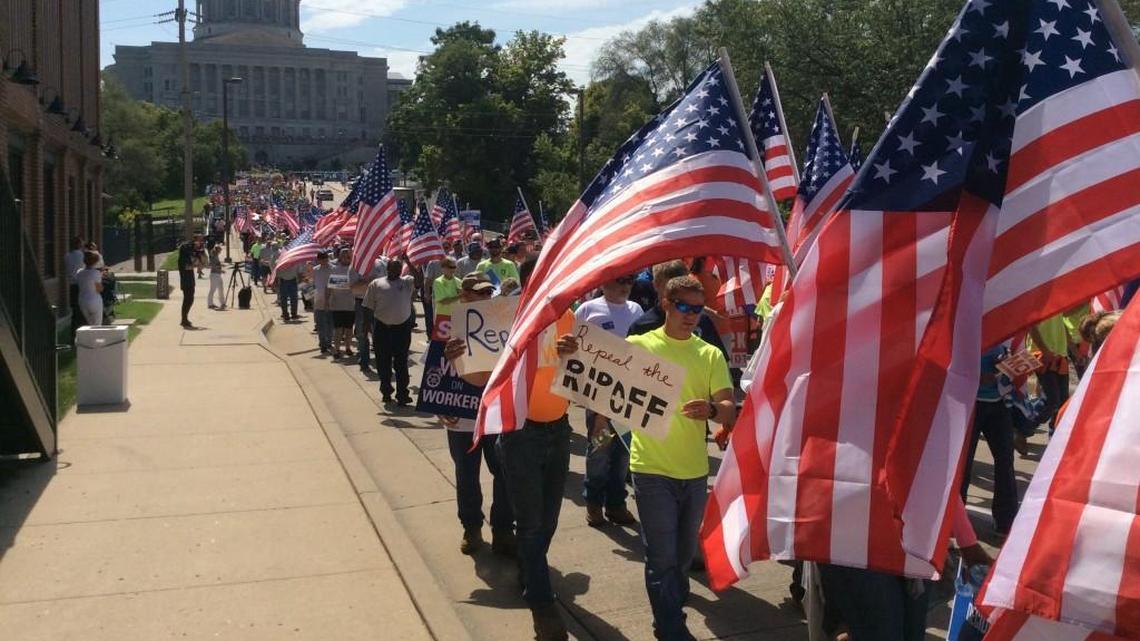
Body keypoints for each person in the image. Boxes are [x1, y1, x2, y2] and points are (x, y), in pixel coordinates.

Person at [568, 275, 735, 641]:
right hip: (649, 469)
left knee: (681, 555)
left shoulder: (708, 354)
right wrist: (570, 354)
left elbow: (729, 409)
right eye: (684, 307)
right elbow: (604, 387)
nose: (691, 315)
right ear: (666, 305)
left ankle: (668, 612)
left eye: (697, 309)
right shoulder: (639, 346)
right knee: (660, 557)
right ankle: (673, 628)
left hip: (693, 472)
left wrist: (712, 409)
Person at [445, 257, 576, 641]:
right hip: (521, 434)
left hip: (560, 429)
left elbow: (586, 376)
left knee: (546, 523)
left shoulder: (570, 318)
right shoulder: (508, 317)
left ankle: (530, 570)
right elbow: (486, 377)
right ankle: (542, 606)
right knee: (532, 526)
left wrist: (575, 352)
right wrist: (461, 362)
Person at [440, 271, 516, 556]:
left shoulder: (504, 327)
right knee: (467, 477)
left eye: (488, 293)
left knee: (505, 473)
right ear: (463, 296)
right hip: (461, 420)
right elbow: (435, 373)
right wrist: (440, 409)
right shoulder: (448, 329)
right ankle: (471, 528)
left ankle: (503, 530)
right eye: (478, 293)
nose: (485, 298)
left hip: (496, 416)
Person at [573, 275, 644, 527]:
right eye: (619, 281)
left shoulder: (636, 310)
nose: (625, 286)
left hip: (628, 397)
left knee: (623, 454)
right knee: (599, 450)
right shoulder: (587, 309)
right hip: (598, 396)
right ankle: (593, 503)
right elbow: (575, 350)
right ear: (603, 283)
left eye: (629, 282)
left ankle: (616, 504)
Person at [960, 345, 1019, 537]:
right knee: (963, 466)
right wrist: (974, 376)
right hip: (969, 404)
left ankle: (1006, 520)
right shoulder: (965, 324)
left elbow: (1014, 352)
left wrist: (1008, 362)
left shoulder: (1005, 327)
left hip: (999, 402)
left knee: (1005, 461)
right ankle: (956, 522)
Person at [628, 260, 728, 360]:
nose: (677, 293)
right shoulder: (642, 327)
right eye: (670, 288)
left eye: (681, 287)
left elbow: (720, 360)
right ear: (656, 285)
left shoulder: (701, 321)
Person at [362, 258, 415, 405]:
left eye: (399, 268)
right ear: (388, 268)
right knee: (383, 363)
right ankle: (386, 391)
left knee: (401, 363)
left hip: (402, 328)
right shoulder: (377, 284)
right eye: (394, 268)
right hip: (382, 328)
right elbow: (368, 307)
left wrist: (409, 262)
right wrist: (365, 327)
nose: (397, 270)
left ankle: (402, 394)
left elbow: (420, 280)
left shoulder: (407, 282)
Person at [351, 256, 386, 375]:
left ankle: (381, 362)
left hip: (379, 303)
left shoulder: (381, 264)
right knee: (362, 333)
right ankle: (364, 361)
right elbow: (352, 286)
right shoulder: (355, 266)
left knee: (379, 333)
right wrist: (368, 281)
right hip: (361, 303)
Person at [327, 248, 356, 358]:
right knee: (338, 329)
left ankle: (348, 348)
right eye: (343, 255)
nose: (346, 257)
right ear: (339, 257)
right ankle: (337, 349)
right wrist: (327, 300)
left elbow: (355, 286)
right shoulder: (334, 269)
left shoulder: (354, 269)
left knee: (349, 329)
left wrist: (344, 284)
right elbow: (331, 286)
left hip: (351, 305)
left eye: (348, 255)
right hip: (337, 304)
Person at [177, 235, 203, 328]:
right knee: (187, 299)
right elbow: (188, 266)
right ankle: (184, 319)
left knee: (190, 299)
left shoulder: (187, 255)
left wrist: (197, 255)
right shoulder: (183, 259)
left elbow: (193, 253)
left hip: (190, 279)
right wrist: (196, 263)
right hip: (186, 280)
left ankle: (185, 318)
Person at [75, 251, 106, 326]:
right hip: (94, 300)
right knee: (97, 325)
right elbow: (99, 289)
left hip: (82, 300)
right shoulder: (96, 273)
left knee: (90, 324)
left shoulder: (79, 272)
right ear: (95, 262)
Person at [312, 251, 334, 354]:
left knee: (330, 323)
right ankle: (323, 343)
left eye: (325, 259)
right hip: (319, 300)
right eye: (321, 259)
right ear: (318, 260)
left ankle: (329, 341)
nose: (323, 261)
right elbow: (311, 283)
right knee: (320, 324)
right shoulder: (315, 270)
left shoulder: (334, 269)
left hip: (332, 301)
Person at [65, 236, 86, 334]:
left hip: (71, 285)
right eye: (81, 243)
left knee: (74, 310)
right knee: (82, 310)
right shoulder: (82, 256)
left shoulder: (67, 256)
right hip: (81, 285)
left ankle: (73, 333)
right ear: (78, 245)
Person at [431, 257, 461, 326]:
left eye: (454, 267)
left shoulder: (459, 281)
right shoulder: (438, 282)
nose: (453, 269)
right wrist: (460, 295)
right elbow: (443, 301)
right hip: (443, 317)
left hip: (456, 316)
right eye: (451, 267)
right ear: (443, 268)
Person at [276, 256, 302, 321]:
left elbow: (276, 272)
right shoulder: (295, 261)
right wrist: (300, 280)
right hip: (290, 281)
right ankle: (292, 314)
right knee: (293, 299)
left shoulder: (280, 261)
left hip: (285, 281)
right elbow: (299, 272)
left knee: (284, 299)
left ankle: (286, 315)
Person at [207, 244, 226, 310]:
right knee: (212, 290)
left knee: (221, 289)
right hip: (214, 275)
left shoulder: (216, 256)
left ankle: (222, 303)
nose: (221, 251)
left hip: (218, 274)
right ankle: (210, 303)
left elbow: (217, 264)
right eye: (220, 250)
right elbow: (213, 266)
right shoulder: (213, 257)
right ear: (217, 250)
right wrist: (221, 270)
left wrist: (221, 265)